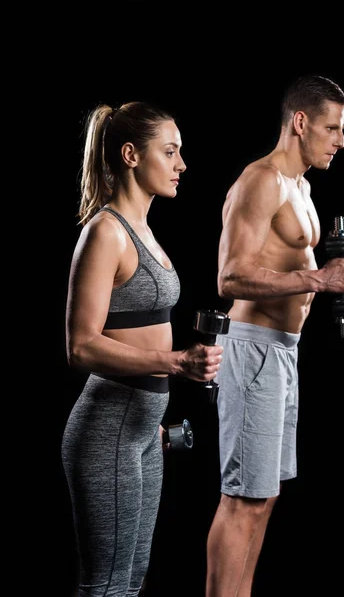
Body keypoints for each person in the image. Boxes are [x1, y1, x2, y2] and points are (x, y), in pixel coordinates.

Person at [61, 101, 223, 597]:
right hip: (107, 431)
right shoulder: (105, 232)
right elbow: (81, 346)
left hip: (141, 433)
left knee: (130, 582)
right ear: (131, 155)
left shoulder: (147, 232)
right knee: (106, 586)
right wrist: (175, 362)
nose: (182, 165)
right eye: (170, 152)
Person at [205, 74, 344, 596]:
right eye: (332, 128)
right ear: (300, 122)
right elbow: (229, 275)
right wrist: (317, 277)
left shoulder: (303, 186)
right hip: (252, 351)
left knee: (263, 498)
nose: (340, 140)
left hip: (284, 354)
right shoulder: (260, 179)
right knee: (241, 500)